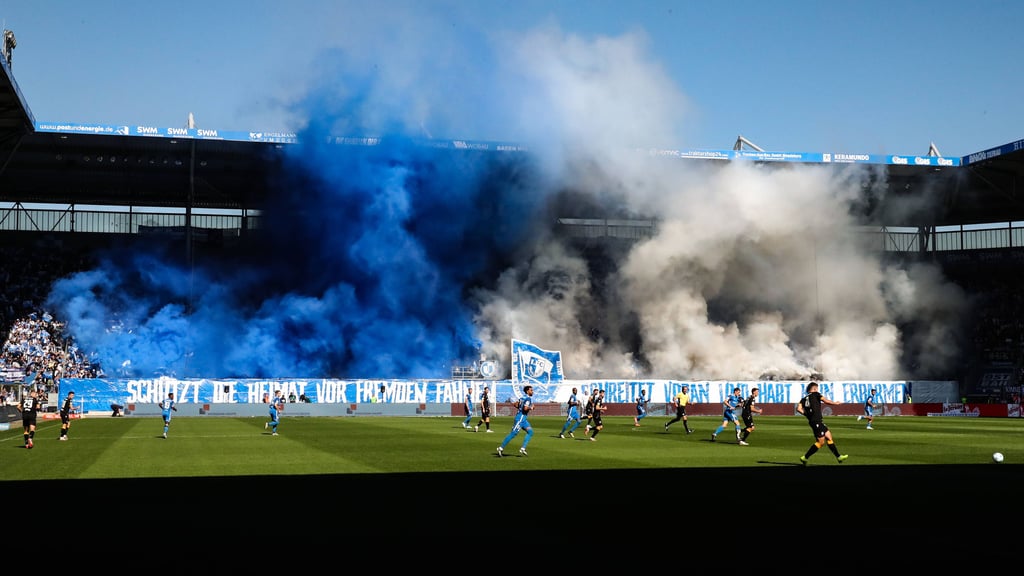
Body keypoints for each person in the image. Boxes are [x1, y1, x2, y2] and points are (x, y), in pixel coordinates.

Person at [796, 381, 848, 465]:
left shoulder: (803, 399)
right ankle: (805, 457)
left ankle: (839, 457)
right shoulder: (816, 394)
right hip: (816, 421)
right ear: (814, 388)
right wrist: (836, 403)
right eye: (817, 388)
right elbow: (826, 401)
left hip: (817, 421)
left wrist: (807, 414)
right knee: (820, 442)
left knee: (829, 437)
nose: (817, 390)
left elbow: (798, 409)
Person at [497, 385, 534, 457]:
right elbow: (525, 408)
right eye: (531, 390)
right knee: (513, 433)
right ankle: (500, 448)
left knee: (530, 432)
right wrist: (531, 408)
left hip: (523, 419)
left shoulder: (522, 398)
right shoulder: (528, 399)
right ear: (527, 391)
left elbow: (516, 405)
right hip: (520, 419)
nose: (532, 391)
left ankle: (523, 448)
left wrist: (517, 405)